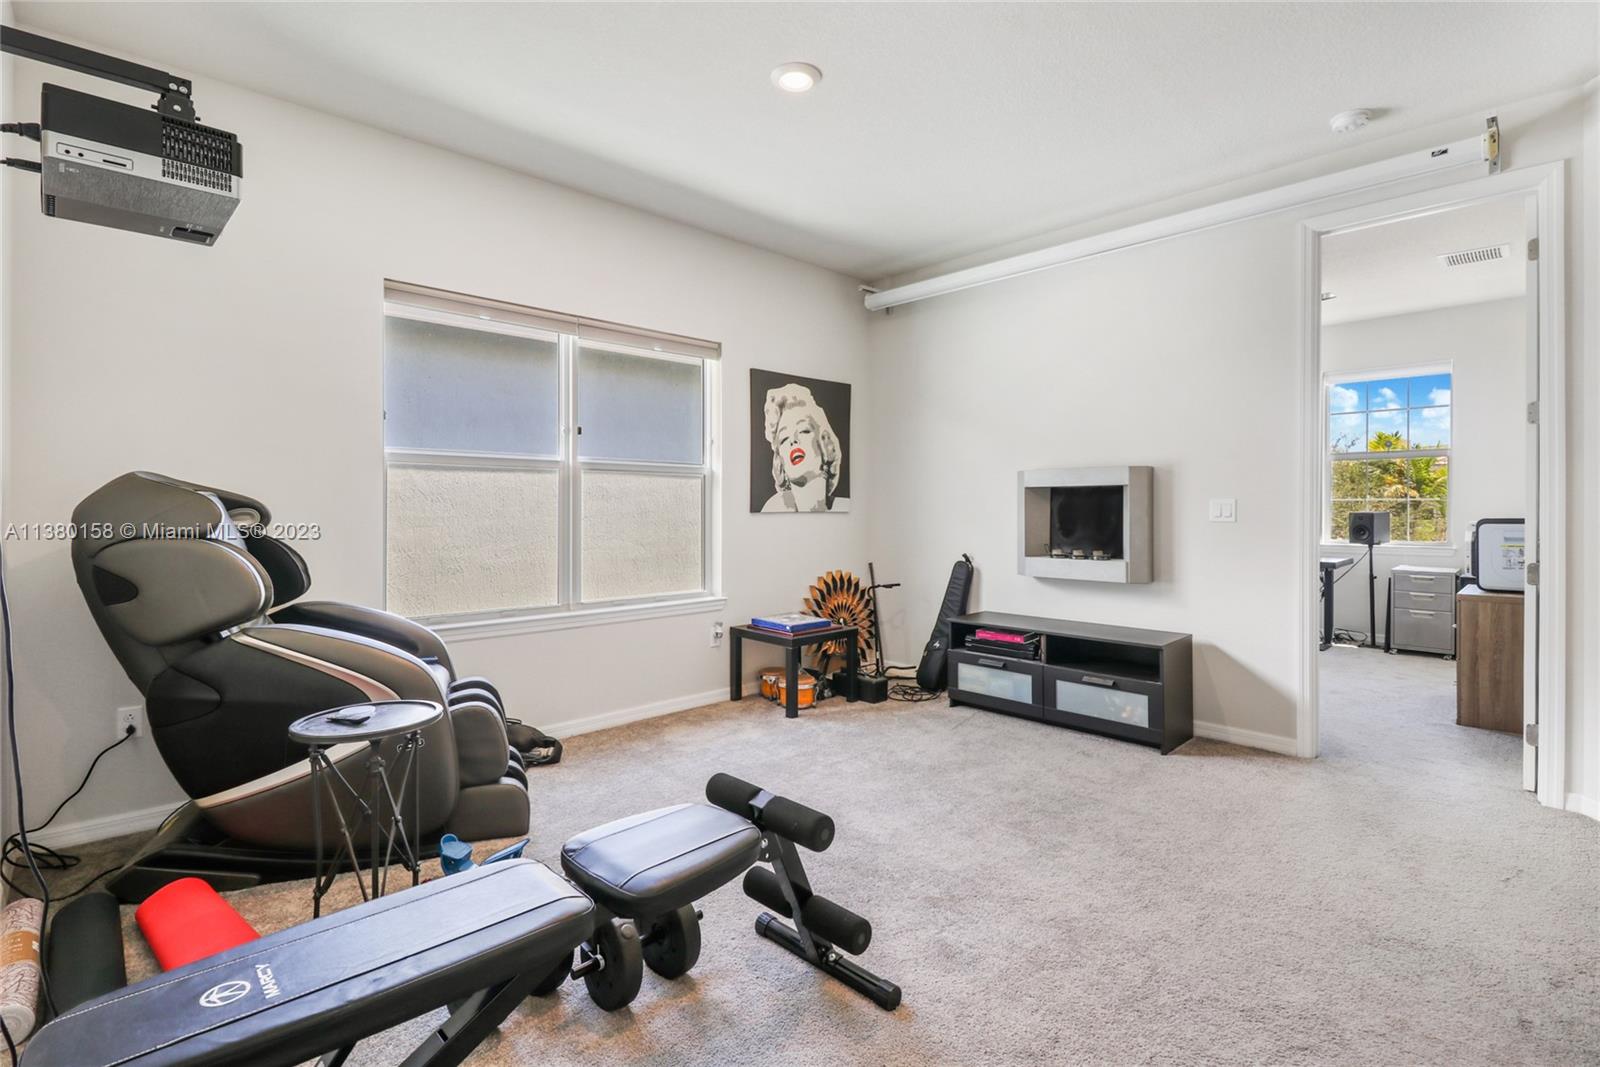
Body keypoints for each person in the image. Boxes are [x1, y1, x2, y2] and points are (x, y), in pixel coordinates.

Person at [760, 383, 847, 512]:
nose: (793, 441)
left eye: (803, 431)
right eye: (784, 439)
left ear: (825, 445)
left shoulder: (844, 507)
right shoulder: (774, 508)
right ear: (780, 462)